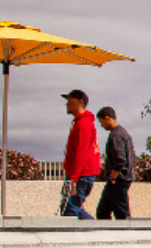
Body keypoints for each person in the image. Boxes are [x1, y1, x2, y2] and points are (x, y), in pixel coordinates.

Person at [60, 89, 101, 220]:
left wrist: (74, 179)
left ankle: (100, 231)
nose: (67, 105)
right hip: (80, 174)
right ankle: (98, 230)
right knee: (69, 208)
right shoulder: (80, 122)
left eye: (70, 101)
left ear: (80, 102)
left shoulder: (83, 124)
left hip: (82, 174)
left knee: (71, 210)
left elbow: (80, 153)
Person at [95, 106, 135, 220]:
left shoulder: (116, 135)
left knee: (121, 214)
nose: (102, 125)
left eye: (101, 122)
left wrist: (113, 176)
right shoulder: (123, 133)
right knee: (103, 212)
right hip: (122, 178)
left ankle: (129, 234)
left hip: (119, 180)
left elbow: (120, 159)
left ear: (107, 118)